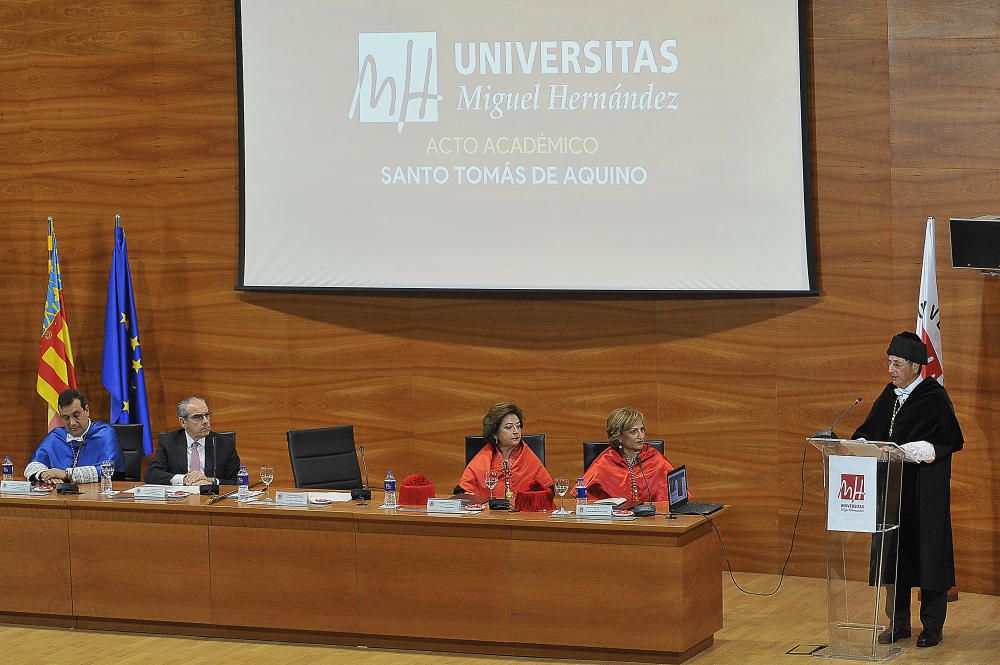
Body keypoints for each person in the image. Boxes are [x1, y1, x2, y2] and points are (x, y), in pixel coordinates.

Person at [852, 331, 963, 649]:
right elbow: (868, 430)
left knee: (929, 556)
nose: (891, 369)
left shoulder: (934, 396)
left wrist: (912, 449)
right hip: (893, 492)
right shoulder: (888, 396)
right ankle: (898, 622)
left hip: (924, 494)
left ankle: (932, 626)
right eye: (889, 362)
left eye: (897, 363)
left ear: (916, 366)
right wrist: (859, 442)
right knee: (894, 557)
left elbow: (949, 440)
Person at [25, 389, 124, 485]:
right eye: (66, 418)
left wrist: (67, 474)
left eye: (76, 415)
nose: (72, 423)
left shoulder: (104, 433)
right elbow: (33, 465)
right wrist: (45, 475)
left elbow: (109, 469)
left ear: (86, 410)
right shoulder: (56, 436)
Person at [457, 402, 553, 499]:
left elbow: (548, 490)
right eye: (509, 427)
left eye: (518, 426)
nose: (516, 431)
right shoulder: (484, 457)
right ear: (495, 433)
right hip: (489, 512)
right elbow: (463, 491)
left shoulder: (527, 455)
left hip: (522, 512)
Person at [584, 407, 675, 503]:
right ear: (619, 436)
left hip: (651, 516)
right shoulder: (605, 461)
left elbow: (674, 499)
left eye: (642, 430)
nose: (640, 436)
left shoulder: (656, 459)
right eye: (633, 431)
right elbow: (584, 498)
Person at [144, 396, 241, 486]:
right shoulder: (169, 442)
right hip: (181, 499)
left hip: (212, 499)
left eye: (206, 415)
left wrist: (211, 481)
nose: (205, 421)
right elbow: (152, 474)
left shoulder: (224, 444)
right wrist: (184, 479)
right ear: (183, 422)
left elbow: (237, 480)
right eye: (197, 417)